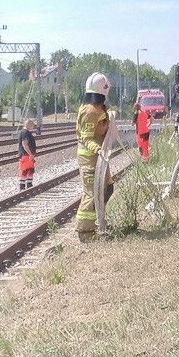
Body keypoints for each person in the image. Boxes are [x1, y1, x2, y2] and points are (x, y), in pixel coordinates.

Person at [76, 72, 115, 242]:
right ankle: (85, 232)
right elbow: (86, 138)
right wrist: (98, 149)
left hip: (99, 159)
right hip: (90, 159)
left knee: (108, 188)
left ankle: (98, 221)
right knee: (91, 194)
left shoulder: (98, 109)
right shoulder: (90, 111)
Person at [18, 118, 37, 190]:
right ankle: (22, 186)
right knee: (25, 170)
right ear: (28, 124)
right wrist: (30, 154)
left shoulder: (26, 132)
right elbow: (24, 144)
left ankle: (29, 185)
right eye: (32, 125)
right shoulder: (25, 133)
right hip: (26, 155)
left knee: (30, 170)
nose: (33, 127)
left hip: (27, 155)